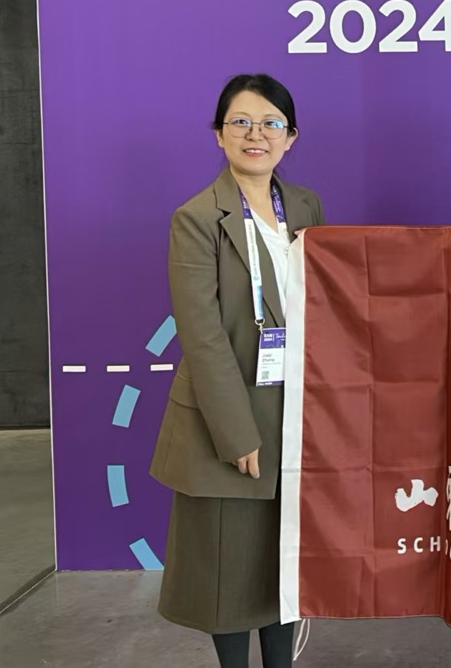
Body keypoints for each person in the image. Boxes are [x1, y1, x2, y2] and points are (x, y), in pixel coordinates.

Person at [150, 74, 324, 668]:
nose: (257, 135)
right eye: (241, 122)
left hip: (295, 414)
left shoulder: (305, 206)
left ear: (290, 137)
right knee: (228, 575)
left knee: (283, 566)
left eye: (271, 123)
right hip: (226, 421)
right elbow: (201, 338)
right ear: (219, 135)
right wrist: (235, 433)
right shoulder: (197, 217)